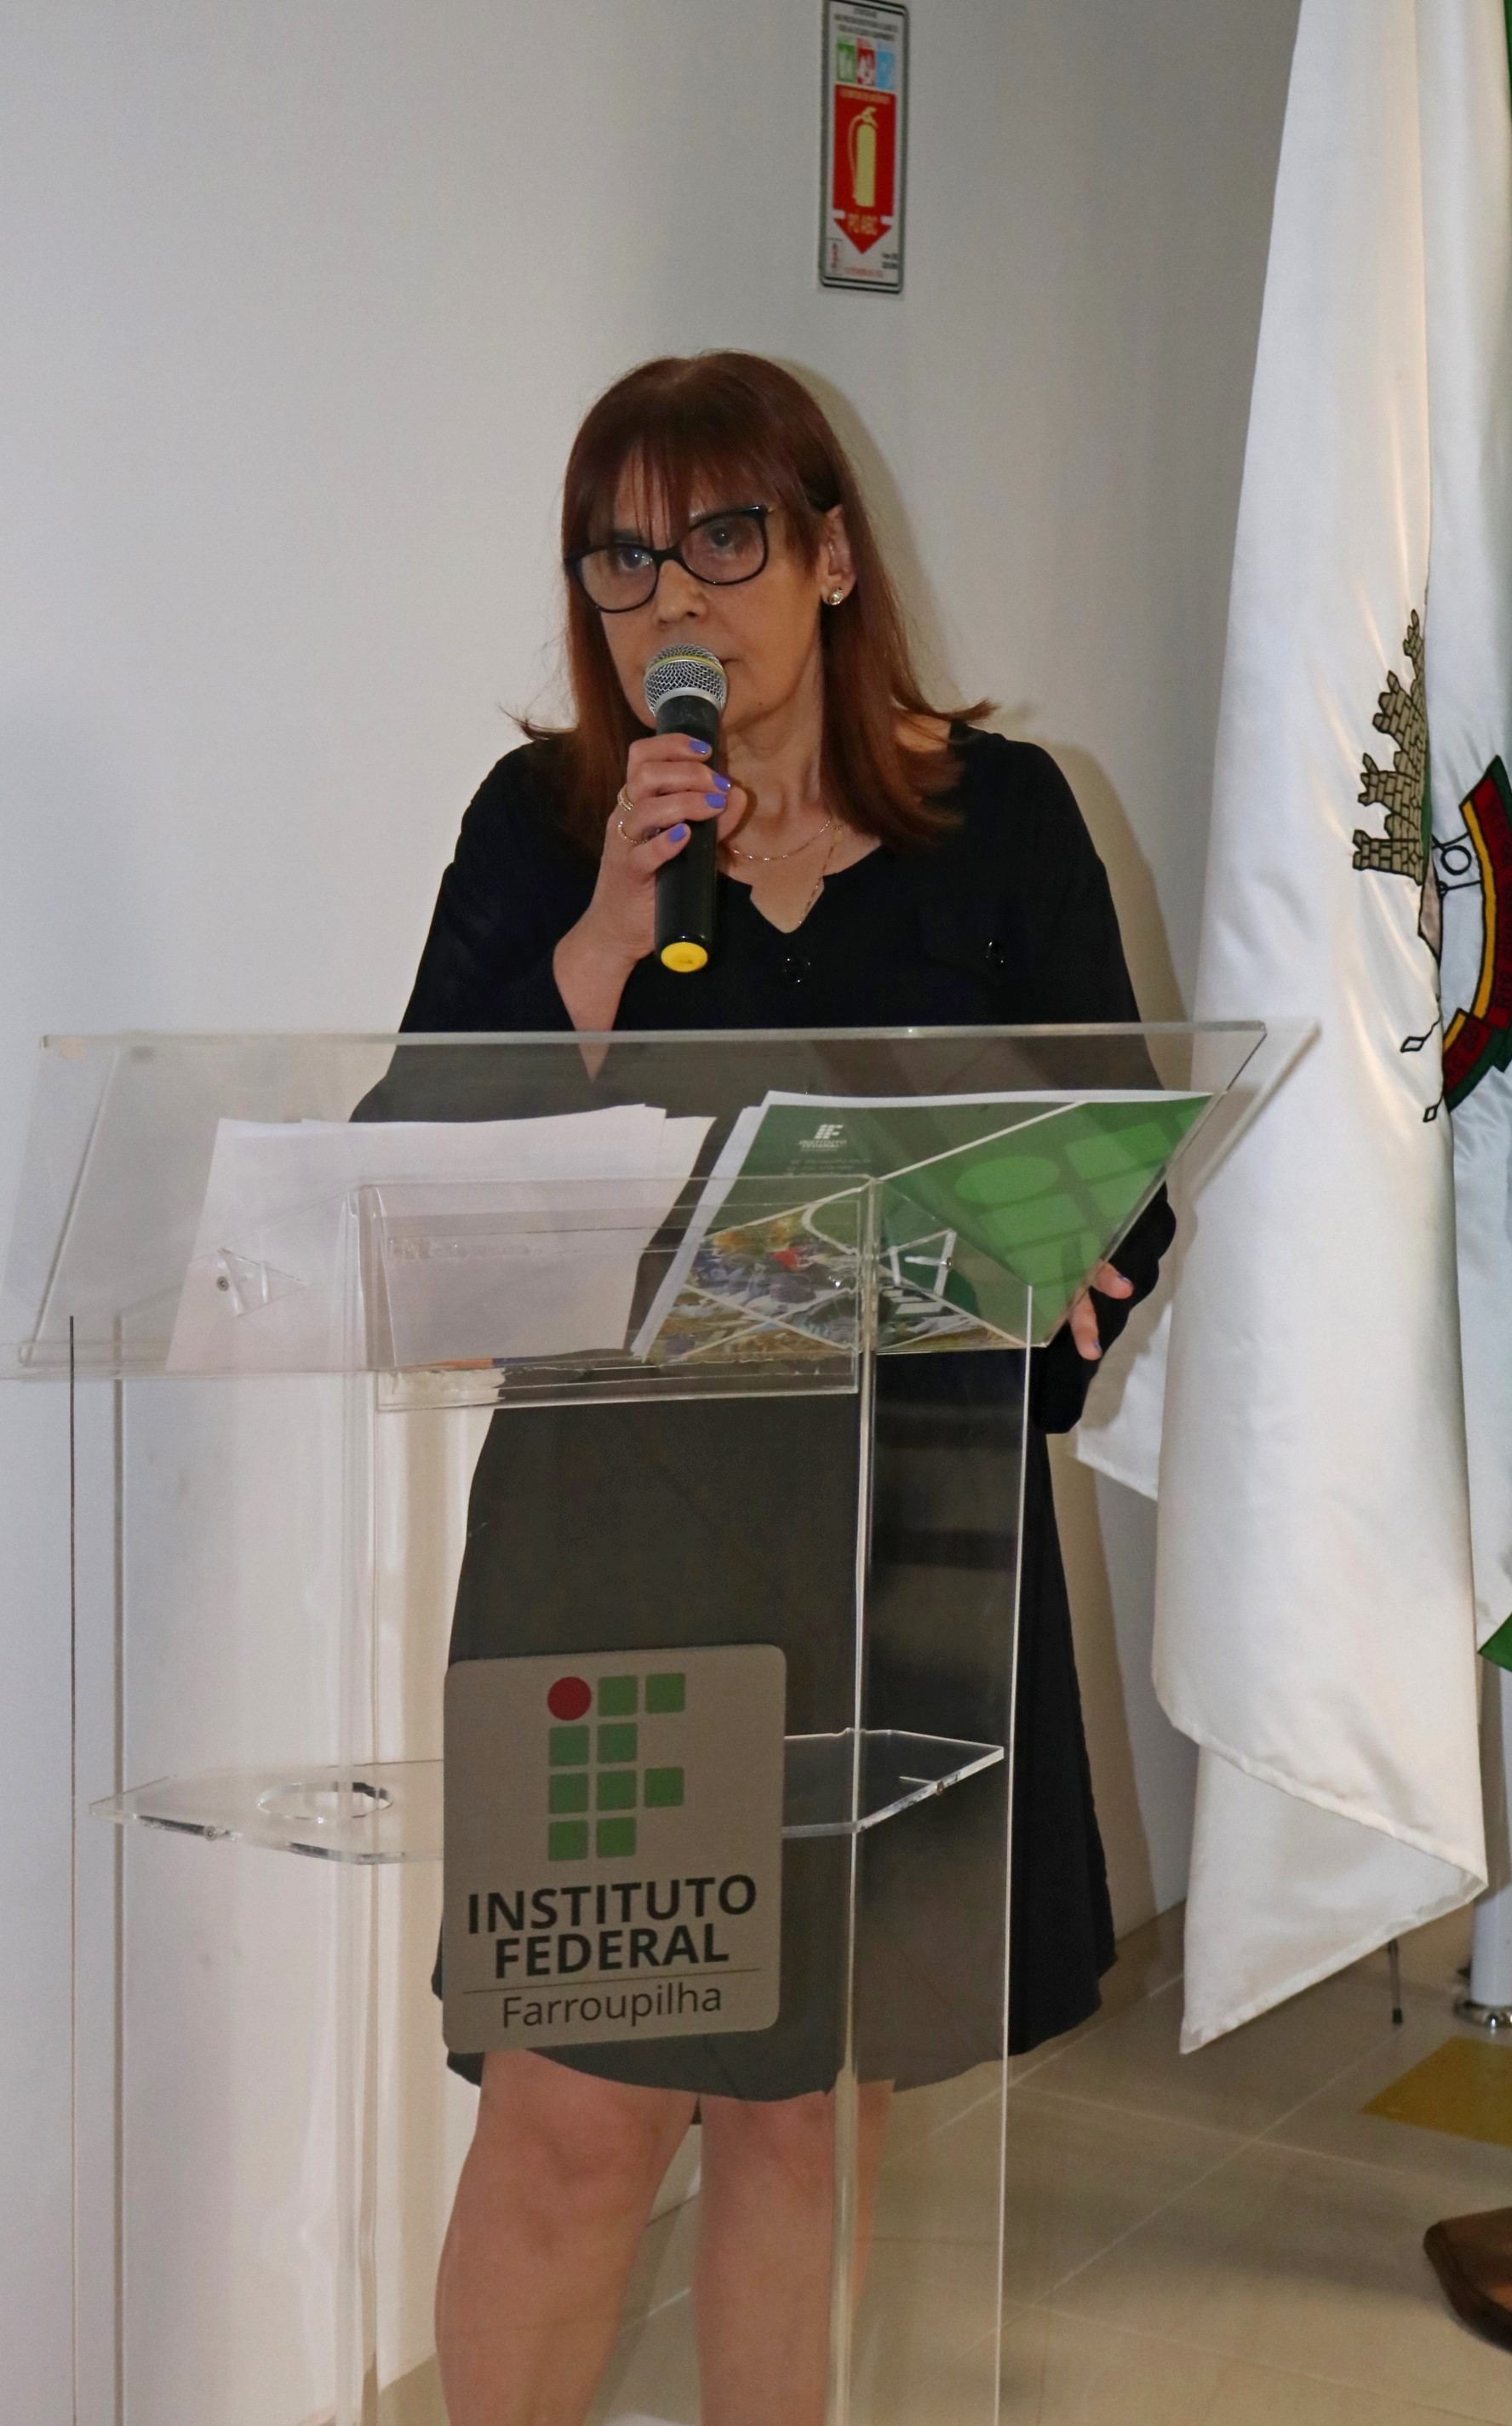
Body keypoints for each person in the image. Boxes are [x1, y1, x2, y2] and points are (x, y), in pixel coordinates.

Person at [401, 350, 1173, 2426]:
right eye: (621, 559)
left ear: (830, 558)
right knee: (575, 2120)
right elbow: (420, 1175)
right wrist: (598, 935)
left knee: (803, 2111)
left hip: (896, 1539)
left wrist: (1069, 1268)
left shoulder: (1003, 824)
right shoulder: (543, 833)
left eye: (721, 540)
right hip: (615, 1553)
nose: (672, 599)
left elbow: (1116, 1175)